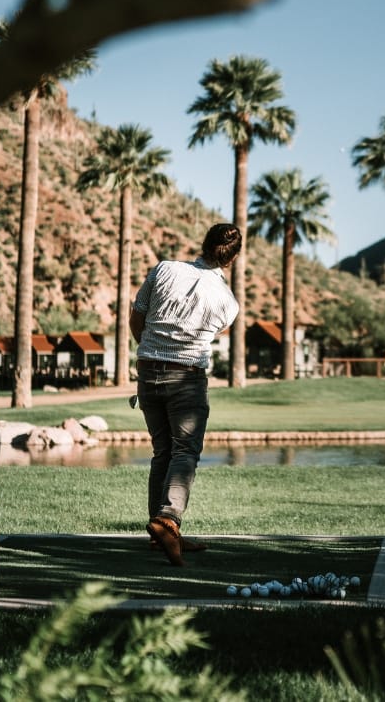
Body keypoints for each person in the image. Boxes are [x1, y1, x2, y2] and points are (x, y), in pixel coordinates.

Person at [129, 222, 241, 566]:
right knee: (185, 452)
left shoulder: (164, 269)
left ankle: (159, 533)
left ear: (204, 243)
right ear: (232, 258)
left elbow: (138, 319)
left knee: (162, 451)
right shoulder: (227, 301)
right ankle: (168, 520)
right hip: (188, 378)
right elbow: (216, 331)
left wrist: (153, 352)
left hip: (148, 371)